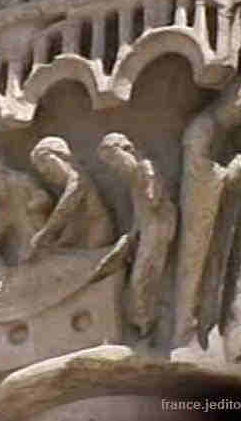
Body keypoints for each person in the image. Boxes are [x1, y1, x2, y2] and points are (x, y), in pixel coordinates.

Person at [176, 77, 241, 347]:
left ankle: (204, 325)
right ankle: (182, 330)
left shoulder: (222, 131)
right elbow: (197, 172)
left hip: (212, 211)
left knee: (213, 263)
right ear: (234, 101)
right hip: (196, 215)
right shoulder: (203, 127)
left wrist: (232, 177)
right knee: (193, 266)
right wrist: (228, 175)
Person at [97, 132, 177, 337]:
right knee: (143, 274)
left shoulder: (144, 169)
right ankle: (145, 320)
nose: (116, 168)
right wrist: (131, 235)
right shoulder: (134, 179)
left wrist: (150, 189)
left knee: (143, 275)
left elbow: (153, 199)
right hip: (150, 229)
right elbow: (140, 212)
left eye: (115, 160)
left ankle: (148, 321)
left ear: (128, 150)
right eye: (111, 165)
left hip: (158, 228)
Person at [27, 136, 113, 259]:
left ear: (62, 157)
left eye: (45, 162)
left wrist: (45, 233)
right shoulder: (69, 184)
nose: (43, 170)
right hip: (83, 231)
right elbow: (74, 221)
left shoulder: (78, 180)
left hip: (96, 231)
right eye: (40, 169)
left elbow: (65, 209)